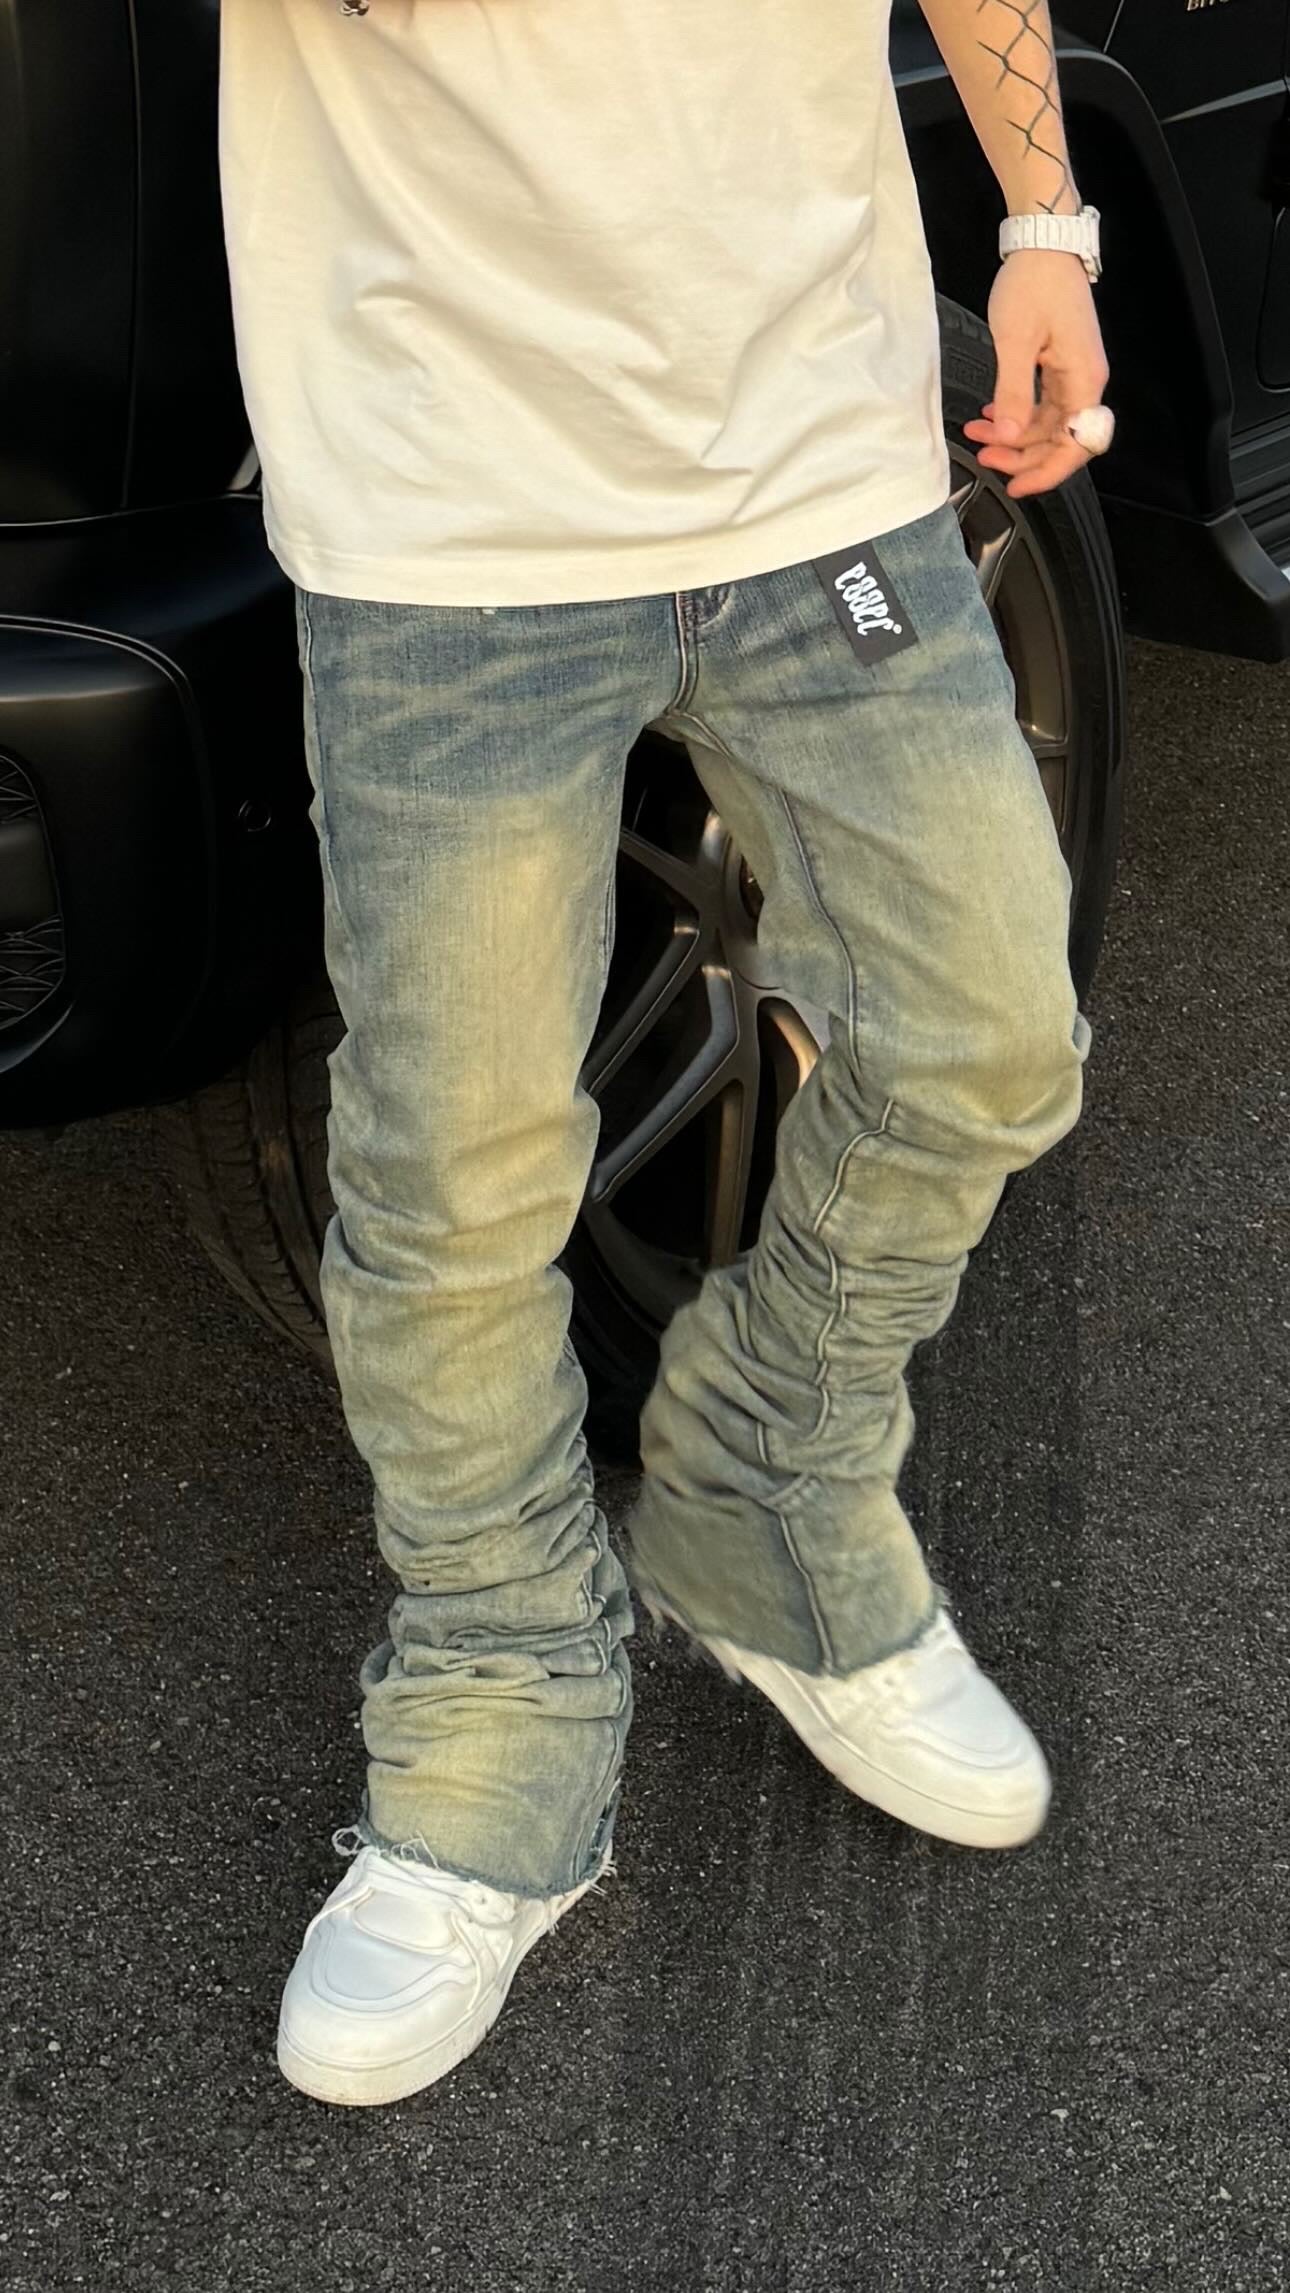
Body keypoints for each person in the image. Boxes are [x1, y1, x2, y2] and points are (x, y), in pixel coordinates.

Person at [216, 0, 1109, 2107]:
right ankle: (498, 1713)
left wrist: (1044, 221)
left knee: (991, 1032)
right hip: (450, 523)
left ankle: (769, 1497)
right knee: (455, 1191)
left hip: (824, 480)